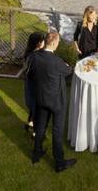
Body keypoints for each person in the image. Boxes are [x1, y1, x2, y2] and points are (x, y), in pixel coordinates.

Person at [27, 31, 76, 172]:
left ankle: (36, 154)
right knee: (57, 130)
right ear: (54, 43)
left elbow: (30, 74)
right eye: (58, 42)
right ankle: (59, 162)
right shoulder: (56, 61)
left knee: (41, 126)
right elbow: (68, 71)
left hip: (41, 98)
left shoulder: (35, 56)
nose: (58, 44)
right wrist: (67, 66)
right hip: (57, 102)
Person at [18, 31, 45, 137]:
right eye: (42, 41)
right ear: (38, 43)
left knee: (33, 108)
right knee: (37, 109)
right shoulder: (36, 57)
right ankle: (35, 133)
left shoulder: (29, 54)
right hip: (35, 87)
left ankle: (30, 123)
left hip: (29, 86)